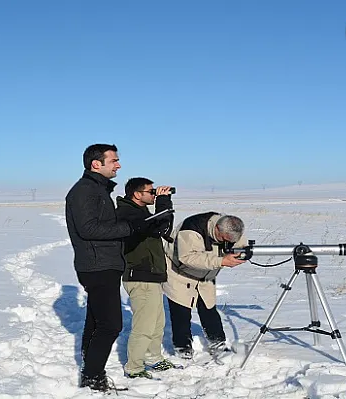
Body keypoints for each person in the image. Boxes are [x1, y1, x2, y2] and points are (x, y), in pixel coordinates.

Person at [65, 144, 158, 392]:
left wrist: (134, 222)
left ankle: (90, 369)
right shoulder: (85, 191)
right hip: (98, 266)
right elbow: (89, 229)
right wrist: (130, 228)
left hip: (103, 263)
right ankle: (93, 377)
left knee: (96, 320)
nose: (118, 165)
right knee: (111, 325)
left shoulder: (97, 189)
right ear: (97, 164)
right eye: (114, 160)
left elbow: (101, 224)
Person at [161, 212, 248, 359]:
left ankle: (218, 342)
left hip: (205, 275)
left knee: (208, 308)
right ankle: (182, 347)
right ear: (217, 230)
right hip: (179, 273)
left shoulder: (231, 228)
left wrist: (243, 253)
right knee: (181, 312)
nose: (226, 243)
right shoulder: (191, 229)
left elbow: (241, 244)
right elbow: (187, 257)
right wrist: (221, 261)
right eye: (224, 240)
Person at [115, 178, 177, 379]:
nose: (154, 194)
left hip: (151, 275)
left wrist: (163, 204)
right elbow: (158, 227)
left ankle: (153, 358)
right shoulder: (127, 214)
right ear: (136, 194)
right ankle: (133, 367)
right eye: (151, 192)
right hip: (139, 275)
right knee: (144, 325)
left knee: (157, 323)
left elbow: (163, 227)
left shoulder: (141, 213)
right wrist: (163, 202)